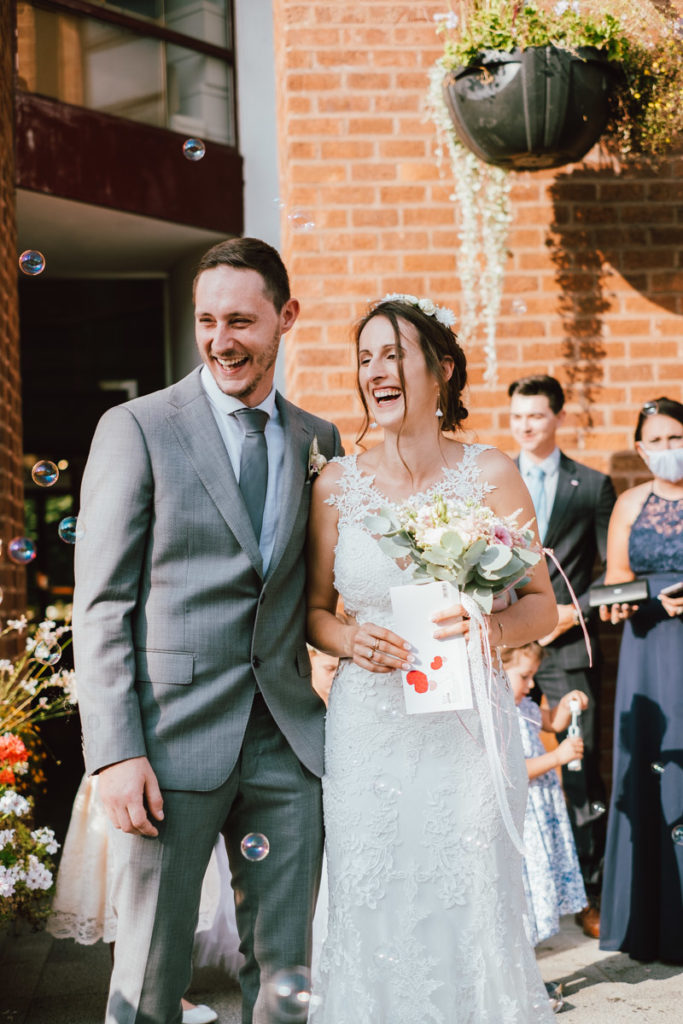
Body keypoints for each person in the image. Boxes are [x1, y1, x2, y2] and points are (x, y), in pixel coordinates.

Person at [73, 237, 342, 1024]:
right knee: (152, 967)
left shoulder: (317, 440)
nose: (222, 340)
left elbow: (325, 590)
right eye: (207, 321)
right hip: (168, 742)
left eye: (241, 321)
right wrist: (116, 751)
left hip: (289, 745)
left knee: (286, 971)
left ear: (285, 318)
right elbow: (102, 603)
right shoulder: (138, 427)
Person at [306, 294, 559, 1021]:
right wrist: (349, 639)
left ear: (441, 370)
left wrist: (491, 631)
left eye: (393, 354)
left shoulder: (491, 474)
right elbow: (314, 612)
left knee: (471, 886)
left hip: (466, 731)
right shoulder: (334, 485)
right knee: (373, 890)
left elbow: (539, 604)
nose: (374, 372)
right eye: (364, 358)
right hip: (368, 730)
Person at [508, 374, 616, 937]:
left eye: (536, 416)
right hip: (509, 654)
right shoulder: (493, 477)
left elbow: (609, 571)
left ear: (558, 418)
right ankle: (522, 893)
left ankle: (589, 895)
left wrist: (574, 613)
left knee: (578, 769)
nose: (526, 426)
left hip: (570, 648)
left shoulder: (593, 485)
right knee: (508, 764)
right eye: (518, 416)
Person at [597, 396, 683, 964]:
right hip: (647, 649)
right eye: (656, 441)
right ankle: (652, 922)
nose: (667, 451)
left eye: (676, 439)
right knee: (651, 766)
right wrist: (623, 604)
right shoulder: (629, 502)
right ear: (640, 447)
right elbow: (615, 582)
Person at [47, 775, 228, 1024]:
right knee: (124, 888)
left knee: (164, 892)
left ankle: (158, 995)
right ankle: (132, 997)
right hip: (120, 775)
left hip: (166, 773)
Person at [501, 643, 588, 952]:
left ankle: (531, 967)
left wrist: (566, 703)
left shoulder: (524, 706)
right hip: (523, 813)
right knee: (523, 892)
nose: (532, 684)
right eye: (525, 676)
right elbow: (510, 771)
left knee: (537, 892)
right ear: (497, 669)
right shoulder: (498, 714)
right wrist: (558, 757)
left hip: (541, 810)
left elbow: (553, 722)